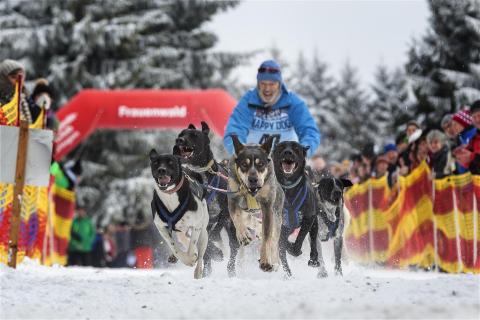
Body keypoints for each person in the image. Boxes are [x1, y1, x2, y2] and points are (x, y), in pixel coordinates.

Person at [223, 60, 320, 157]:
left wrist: (301, 152)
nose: (267, 89)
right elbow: (234, 130)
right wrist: (239, 152)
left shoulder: (293, 102)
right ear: (258, 83)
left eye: (272, 84)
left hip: (286, 160)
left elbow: (309, 131)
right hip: (253, 160)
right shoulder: (248, 101)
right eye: (263, 84)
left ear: (279, 84)